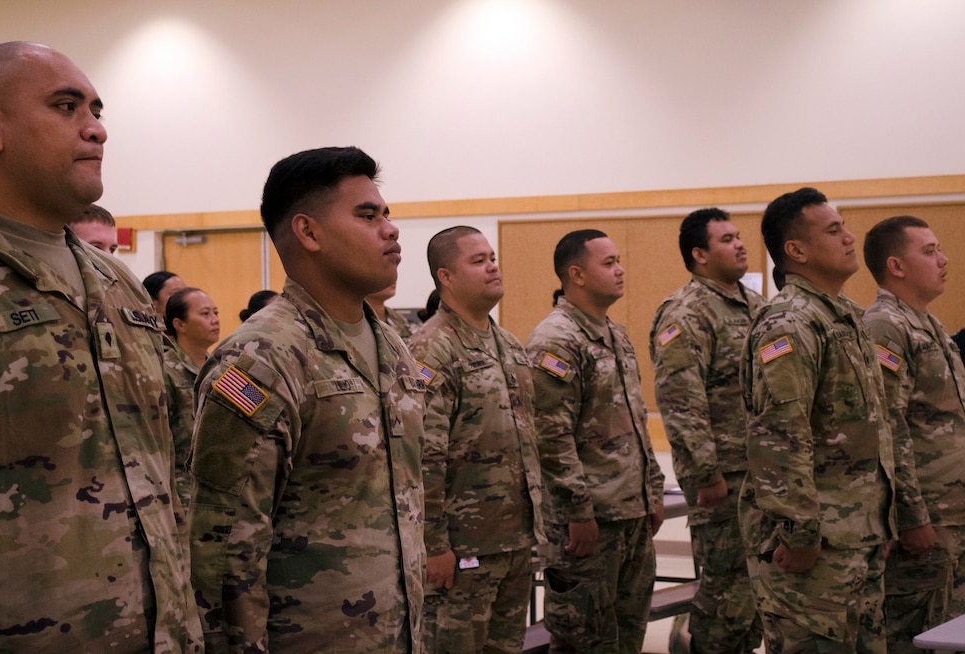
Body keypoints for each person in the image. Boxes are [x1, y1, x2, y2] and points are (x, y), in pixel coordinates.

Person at [0, 41, 200, 651]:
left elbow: (175, 460)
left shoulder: (117, 283)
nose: (97, 128)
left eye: (98, 110)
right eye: (65, 106)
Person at [187, 146, 425, 652]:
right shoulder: (261, 359)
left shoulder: (392, 347)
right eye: (367, 215)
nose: (391, 229)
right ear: (308, 232)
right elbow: (225, 548)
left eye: (387, 214)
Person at [740, 187, 895, 653]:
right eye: (834, 230)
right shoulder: (789, 322)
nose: (850, 237)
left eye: (844, 225)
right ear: (796, 251)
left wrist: (883, 519)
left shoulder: (845, 316)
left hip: (856, 535)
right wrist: (801, 533)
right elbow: (780, 437)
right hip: (814, 549)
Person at [526, 229, 666, 653]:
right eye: (608, 263)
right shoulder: (557, 340)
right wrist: (577, 512)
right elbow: (551, 436)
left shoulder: (615, 335)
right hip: (589, 523)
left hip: (630, 513)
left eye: (619, 260)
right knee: (583, 641)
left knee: (626, 637)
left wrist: (652, 490)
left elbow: (634, 421)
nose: (620, 269)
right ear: (577, 274)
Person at [408, 226, 545, 654]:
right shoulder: (431, 349)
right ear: (446, 277)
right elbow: (422, 456)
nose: (493, 266)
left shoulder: (507, 344)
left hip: (514, 540)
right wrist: (434, 545)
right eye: (478, 260)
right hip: (462, 548)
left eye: (492, 257)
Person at [649, 209, 764, 653]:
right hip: (726, 481)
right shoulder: (686, 312)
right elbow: (681, 401)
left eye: (738, 236)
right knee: (725, 601)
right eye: (726, 239)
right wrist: (706, 474)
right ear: (699, 254)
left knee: (757, 598)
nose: (739, 244)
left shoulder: (756, 306)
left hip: (765, 475)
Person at [862, 216, 965, 652]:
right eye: (929, 251)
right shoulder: (886, 325)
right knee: (914, 636)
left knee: (948, 630)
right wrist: (911, 515)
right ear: (896, 266)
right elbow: (889, 425)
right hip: (928, 518)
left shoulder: (928, 324)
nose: (943, 260)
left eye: (940, 249)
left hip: (951, 511)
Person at [163, 287, 220, 508]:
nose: (214, 320)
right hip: (180, 493)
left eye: (216, 313)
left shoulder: (222, 366)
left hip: (218, 489)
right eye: (205, 314)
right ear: (180, 324)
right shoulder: (163, 370)